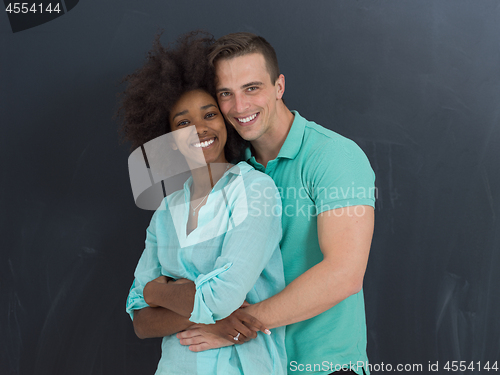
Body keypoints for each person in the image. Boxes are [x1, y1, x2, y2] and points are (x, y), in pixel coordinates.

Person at [175, 33, 376, 375]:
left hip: (325, 367)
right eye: (226, 93)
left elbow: (344, 274)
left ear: (279, 86)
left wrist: (238, 327)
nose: (240, 107)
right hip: (255, 365)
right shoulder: (232, 171)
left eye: (252, 88)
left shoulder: (334, 157)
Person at [119, 32, 287, 375]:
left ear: (225, 121)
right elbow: (140, 321)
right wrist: (209, 313)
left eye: (209, 115)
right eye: (183, 122)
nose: (198, 129)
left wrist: (157, 291)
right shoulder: (166, 212)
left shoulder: (254, 190)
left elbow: (220, 300)